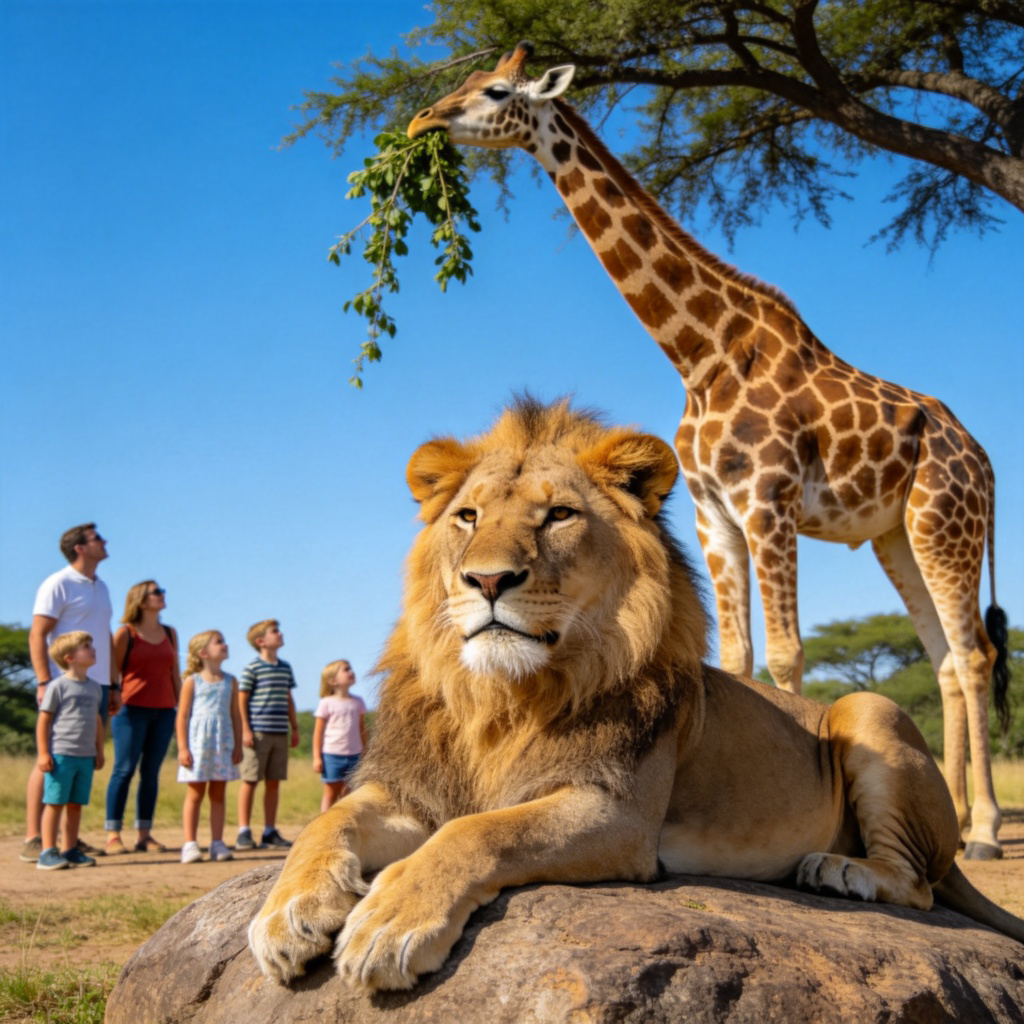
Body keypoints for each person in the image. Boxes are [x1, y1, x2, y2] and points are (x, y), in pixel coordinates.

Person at [22, 523, 117, 864]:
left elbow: (105, 635)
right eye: (97, 538)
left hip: (97, 682)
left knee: (81, 758)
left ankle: (69, 842)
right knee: (51, 760)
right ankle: (36, 838)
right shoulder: (57, 583)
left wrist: (114, 681)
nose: (105, 542)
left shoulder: (101, 586)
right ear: (80, 547)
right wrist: (44, 679)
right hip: (62, 681)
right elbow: (38, 634)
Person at [104, 580, 180, 855]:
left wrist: (180, 706)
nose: (162, 595)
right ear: (141, 599)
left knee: (151, 774)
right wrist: (113, 694)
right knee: (123, 770)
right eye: (156, 592)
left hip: (164, 710)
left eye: (162, 591)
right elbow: (114, 672)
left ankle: (144, 835)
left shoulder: (170, 633)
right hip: (130, 709)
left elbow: (174, 672)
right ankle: (113, 834)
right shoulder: (125, 633)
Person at [35, 631, 106, 870]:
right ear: (69, 657)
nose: (92, 649)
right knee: (55, 803)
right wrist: (44, 753)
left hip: (86, 756)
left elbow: (97, 720)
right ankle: (47, 851)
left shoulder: (95, 688)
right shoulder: (58, 686)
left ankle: (70, 848)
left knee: (76, 804)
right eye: (86, 646)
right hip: (61, 755)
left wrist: (100, 750)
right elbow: (44, 720)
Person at [176, 630, 243, 864]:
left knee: (218, 793)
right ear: (203, 652)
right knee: (195, 793)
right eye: (219, 642)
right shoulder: (191, 681)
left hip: (222, 745)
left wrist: (237, 744)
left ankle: (217, 842)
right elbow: (182, 716)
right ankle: (190, 844)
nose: (224, 645)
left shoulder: (231, 681)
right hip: (198, 746)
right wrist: (183, 748)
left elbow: (236, 715)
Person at [236, 619, 299, 851]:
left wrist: (295, 727)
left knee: (274, 782)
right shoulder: (252, 668)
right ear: (261, 641)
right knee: (250, 780)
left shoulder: (285, 668)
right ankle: (244, 830)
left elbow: (288, 698)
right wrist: (245, 729)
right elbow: (242, 698)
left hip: (280, 732)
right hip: (257, 733)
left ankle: (269, 831)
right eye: (275, 631)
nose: (280, 634)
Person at [312, 659, 367, 812]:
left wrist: (366, 751)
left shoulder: (358, 702)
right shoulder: (326, 703)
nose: (351, 672)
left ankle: (346, 824)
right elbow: (318, 732)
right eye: (346, 669)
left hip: (355, 755)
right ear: (333, 680)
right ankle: (322, 827)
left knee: (349, 794)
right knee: (330, 792)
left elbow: (362, 728)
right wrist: (317, 757)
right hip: (332, 755)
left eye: (351, 668)